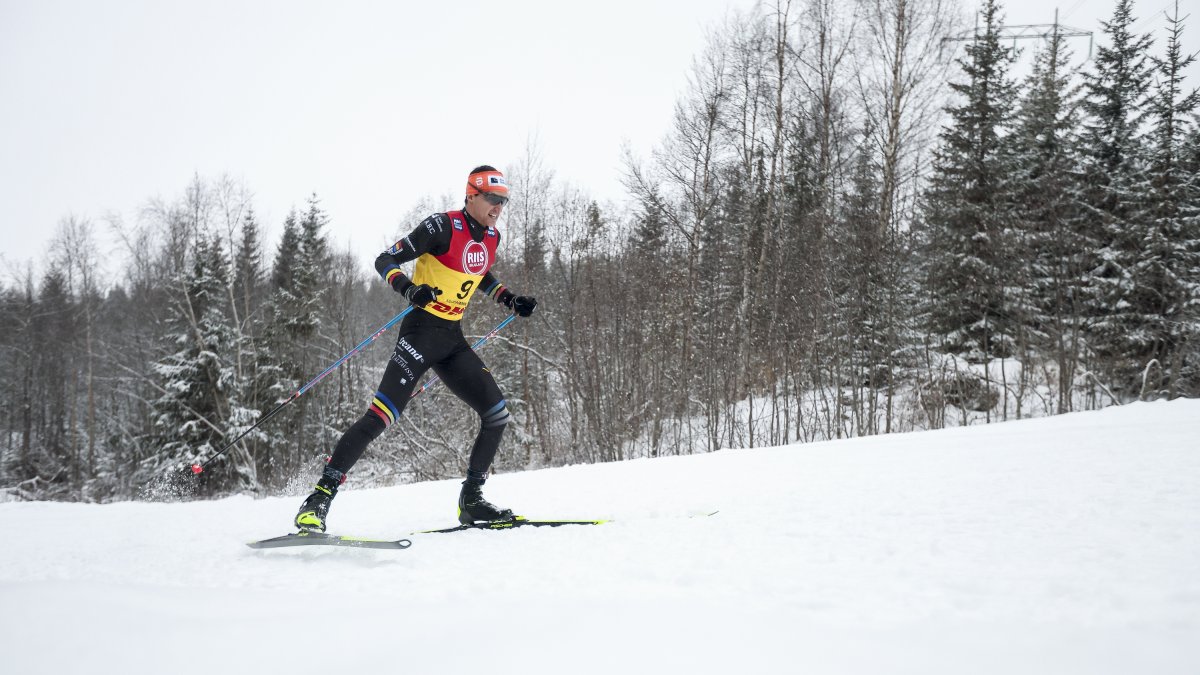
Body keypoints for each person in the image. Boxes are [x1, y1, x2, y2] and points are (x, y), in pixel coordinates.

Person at [294, 165, 537, 532]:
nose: (498, 207)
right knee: (380, 418)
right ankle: (317, 501)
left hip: (452, 341)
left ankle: (471, 501)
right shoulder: (440, 226)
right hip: (420, 335)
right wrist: (409, 289)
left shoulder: (492, 238)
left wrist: (509, 299)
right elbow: (385, 260)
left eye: (503, 201)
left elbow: (479, 272)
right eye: (492, 199)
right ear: (471, 195)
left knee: (497, 415)